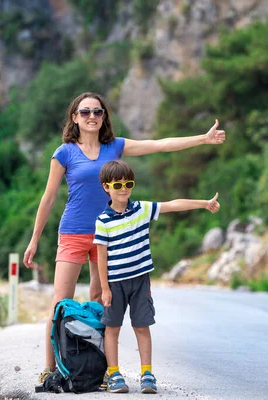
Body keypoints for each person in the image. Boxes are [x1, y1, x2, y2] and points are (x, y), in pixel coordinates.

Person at [23, 92, 225, 384]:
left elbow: (159, 145)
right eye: (85, 112)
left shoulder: (114, 147)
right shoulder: (64, 152)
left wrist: (202, 139)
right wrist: (34, 239)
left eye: (98, 112)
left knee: (100, 302)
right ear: (74, 117)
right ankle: (50, 367)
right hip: (73, 233)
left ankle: (102, 370)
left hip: (108, 237)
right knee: (59, 303)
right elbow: (49, 197)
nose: (92, 117)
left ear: (104, 117)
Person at [93, 160, 220, 394]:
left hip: (141, 281)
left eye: (128, 183)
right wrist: (105, 288)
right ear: (106, 187)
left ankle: (147, 374)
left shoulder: (142, 209)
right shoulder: (103, 221)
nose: (124, 189)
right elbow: (101, 257)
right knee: (112, 328)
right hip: (115, 283)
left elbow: (173, 205)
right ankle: (114, 374)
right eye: (118, 184)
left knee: (142, 326)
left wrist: (204, 203)